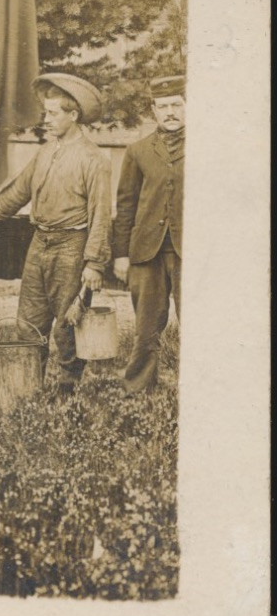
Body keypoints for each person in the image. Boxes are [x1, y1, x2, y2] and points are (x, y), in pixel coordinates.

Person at [0, 73, 113, 394]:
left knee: (69, 325)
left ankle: (66, 394)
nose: (46, 120)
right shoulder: (45, 151)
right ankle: (27, 390)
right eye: (46, 113)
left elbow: (101, 214)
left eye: (53, 113)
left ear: (73, 116)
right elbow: (17, 193)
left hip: (73, 247)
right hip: (39, 244)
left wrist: (95, 263)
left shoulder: (94, 159)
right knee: (28, 322)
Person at [111, 74, 185, 394]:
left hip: (190, 252)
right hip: (146, 253)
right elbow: (125, 205)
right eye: (163, 106)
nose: (170, 112)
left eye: (176, 105)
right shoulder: (138, 151)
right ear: (153, 111)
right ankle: (138, 391)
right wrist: (121, 253)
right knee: (145, 329)